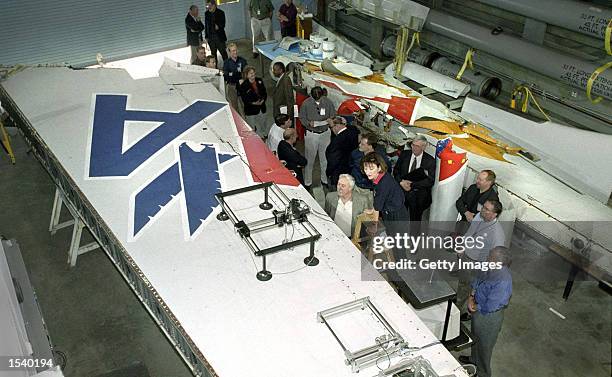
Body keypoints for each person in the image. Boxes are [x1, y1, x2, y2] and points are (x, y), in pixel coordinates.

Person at [458, 246, 512, 377]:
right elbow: (477, 279)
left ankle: (483, 373)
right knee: (475, 336)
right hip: (477, 307)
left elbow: (491, 305)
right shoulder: (488, 266)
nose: (487, 258)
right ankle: (474, 360)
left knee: (485, 345)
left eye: (490, 257)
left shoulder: (503, 281)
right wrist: (471, 297)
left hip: (489, 316)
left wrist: (474, 307)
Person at [456, 199, 506, 317]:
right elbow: (470, 232)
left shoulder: (497, 234)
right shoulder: (479, 216)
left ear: (495, 214)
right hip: (466, 257)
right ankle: (458, 301)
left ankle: (467, 311)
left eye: (487, 209)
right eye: (483, 207)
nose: (482, 210)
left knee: (475, 290)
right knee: (463, 283)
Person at [361, 152, 410, 261]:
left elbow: (378, 206)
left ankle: (401, 261)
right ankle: (398, 258)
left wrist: (374, 225)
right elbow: (378, 202)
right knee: (393, 237)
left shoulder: (383, 184)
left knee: (398, 240)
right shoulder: (381, 177)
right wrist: (374, 209)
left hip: (397, 215)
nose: (367, 172)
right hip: (391, 211)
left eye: (371, 168)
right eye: (365, 168)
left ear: (379, 167)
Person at [299, 86, 335, 190]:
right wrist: (308, 124)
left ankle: (324, 180)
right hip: (312, 134)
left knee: (325, 159)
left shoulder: (328, 102)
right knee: (310, 159)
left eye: (319, 98)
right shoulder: (306, 104)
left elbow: (333, 114)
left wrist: (330, 119)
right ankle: (308, 182)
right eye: (316, 99)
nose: (318, 101)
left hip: (325, 134)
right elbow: (302, 117)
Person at [393, 135, 436, 222]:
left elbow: (430, 181)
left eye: (417, 146)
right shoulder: (404, 154)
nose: (414, 148)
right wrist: (401, 182)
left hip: (418, 196)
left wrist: (412, 185)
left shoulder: (430, 161)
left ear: (423, 147)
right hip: (402, 192)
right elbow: (396, 171)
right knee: (400, 217)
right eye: (413, 145)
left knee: (415, 221)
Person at [325, 116, 359, 189]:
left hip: (338, 173)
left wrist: (328, 172)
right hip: (350, 169)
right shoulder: (353, 132)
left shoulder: (336, 142)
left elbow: (333, 160)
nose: (332, 130)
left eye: (331, 127)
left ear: (337, 126)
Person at [238, 66, 267, 138]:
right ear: (246, 75)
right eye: (251, 73)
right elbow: (244, 99)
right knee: (251, 127)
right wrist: (254, 103)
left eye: (254, 73)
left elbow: (264, 93)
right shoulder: (244, 85)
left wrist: (262, 100)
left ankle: (264, 134)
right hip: (250, 110)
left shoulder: (259, 81)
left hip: (261, 107)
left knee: (263, 123)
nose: (253, 75)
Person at [223, 43, 248, 115]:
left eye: (236, 50)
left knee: (244, 105)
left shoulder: (242, 61)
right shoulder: (226, 63)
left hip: (242, 86)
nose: (235, 52)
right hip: (232, 87)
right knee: (234, 107)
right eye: (233, 51)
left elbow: (247, 72)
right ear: (229, 52)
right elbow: (226, 76)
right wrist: (236, 76)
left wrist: (233, 74)